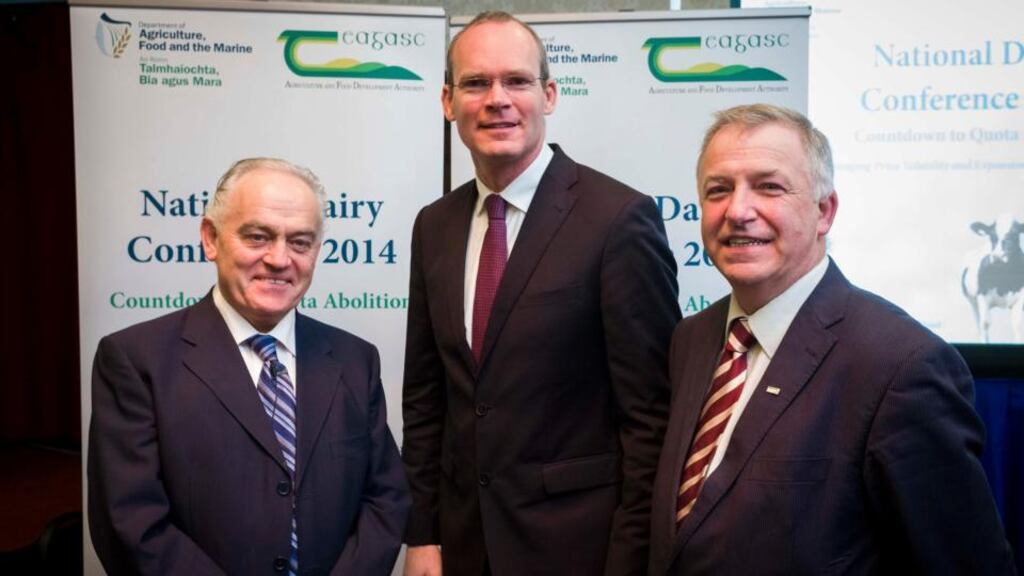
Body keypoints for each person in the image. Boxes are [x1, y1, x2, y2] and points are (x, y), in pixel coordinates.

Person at [648, 104, 1017, 575]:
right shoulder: (691, 340)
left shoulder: (901, 365)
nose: (738, 211)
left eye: (769, 186)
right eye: (718, 190)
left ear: (825, 211)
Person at [401, 11, 681, 576]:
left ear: (549, 94)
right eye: (476, 83)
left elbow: (650, 422)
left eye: (517, 81)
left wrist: (629, 563)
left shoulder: (618, 220)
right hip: (461, 547)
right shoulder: (434, 224)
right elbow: (426, 402)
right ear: (448, 102)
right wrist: (423, 535)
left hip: (579, 549)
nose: (497, 99)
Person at [88, 158, 409, 575]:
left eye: (300, 242)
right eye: (258, 237)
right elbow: (131, 524)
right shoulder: (135, 361)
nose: (279, 259)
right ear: (210, 239)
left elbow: (386, 499)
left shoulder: (355, 360)